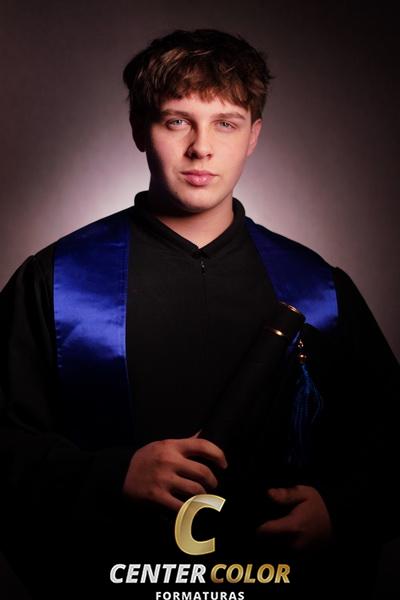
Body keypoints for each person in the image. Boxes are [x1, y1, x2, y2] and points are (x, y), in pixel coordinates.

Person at [0, 28, 398, 599]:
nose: (201, 148)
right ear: (140, 129)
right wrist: (113, 476)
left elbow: (389, 439)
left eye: (225, 124)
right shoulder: (58, 281)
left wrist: (342, 509)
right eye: (176, 121)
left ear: (254, 135)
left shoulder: (317, 288)